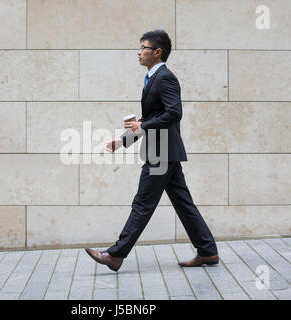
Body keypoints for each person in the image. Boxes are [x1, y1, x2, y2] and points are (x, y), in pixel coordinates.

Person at [85, 30, 219, 272]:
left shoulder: (165, 78)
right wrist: (124, 140)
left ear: (157, 52)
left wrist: (142, 125)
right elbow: (153, 117)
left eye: (143, 47)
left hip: (162, 153)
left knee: (142, 204)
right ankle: (207, 251)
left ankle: (115, 255)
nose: (138, 52)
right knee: (183, 203)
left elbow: (174, 112)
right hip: (164, 151)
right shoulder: (152, 78)